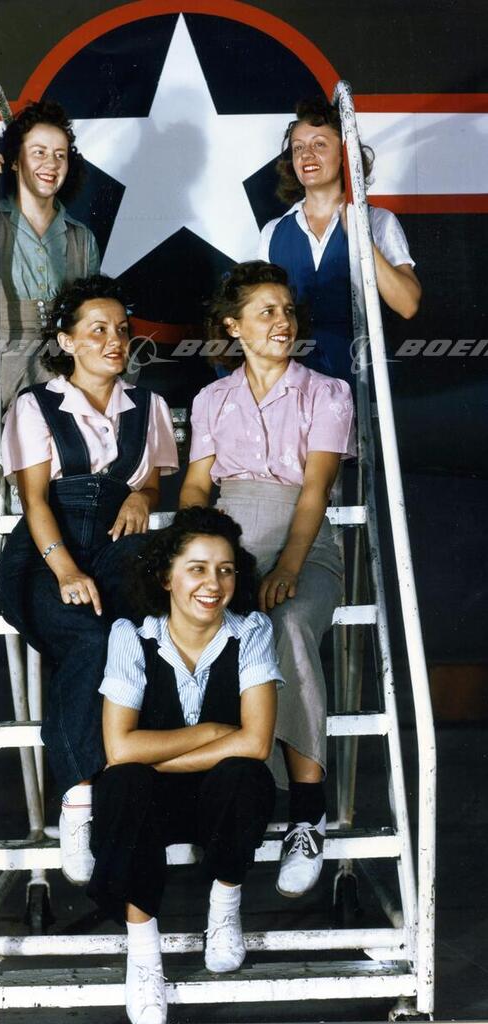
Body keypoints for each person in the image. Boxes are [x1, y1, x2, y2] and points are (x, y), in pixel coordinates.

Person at [180, 261, 356, 899]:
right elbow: (196, 485)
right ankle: (208, 802)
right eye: (266, 312)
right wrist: (201, 554)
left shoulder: (327, 393)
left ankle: (307, 816)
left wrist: (287, 566)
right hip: (229, 548)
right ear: (234, 327)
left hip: (304, 548)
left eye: (287, 310)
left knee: (287, 624)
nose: (282, 322)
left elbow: (314, 492)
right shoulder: (212, 400)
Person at [0, 274, 178, 884]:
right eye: (97, 330)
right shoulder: (35, 405)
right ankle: (78, 801)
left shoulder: (147, 407)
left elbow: (151, 483)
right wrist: (67, 569)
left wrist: (142, 498)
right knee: (91, 639)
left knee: (144, 637)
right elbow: (34, 501)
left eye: (121, 330)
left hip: (118, 546)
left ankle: (143, 794)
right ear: (67, 341)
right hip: (46, 554)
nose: (114, 340)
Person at [88, 506, 280, 1024]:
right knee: (124, 784)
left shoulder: (251, 631)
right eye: (197, 568)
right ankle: (144, 958)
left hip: (219, 797)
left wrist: (159, 754)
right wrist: (212, 733)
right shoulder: (132, 636)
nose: (213, 583)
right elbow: (118, 750)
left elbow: (256, 743)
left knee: (246, 775)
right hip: (152, 803)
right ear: (166, 577)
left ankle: (225, 909)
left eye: (225, 569)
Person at [258, 96, 421, 383]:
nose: (306, 155)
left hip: (361, 382)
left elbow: (407, 304)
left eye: (319, 144)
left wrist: (361, 237)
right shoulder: (274, 232)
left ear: (345, 154)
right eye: (298, 148)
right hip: (294, 387)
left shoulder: (378, 221)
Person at [0, 99, 100, 409]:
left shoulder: (82, 237)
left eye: (60, 155)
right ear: (15, 162)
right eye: (39, 152)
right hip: (6, 353)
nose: (51, 163)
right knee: (57, 381)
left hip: (68, 348)